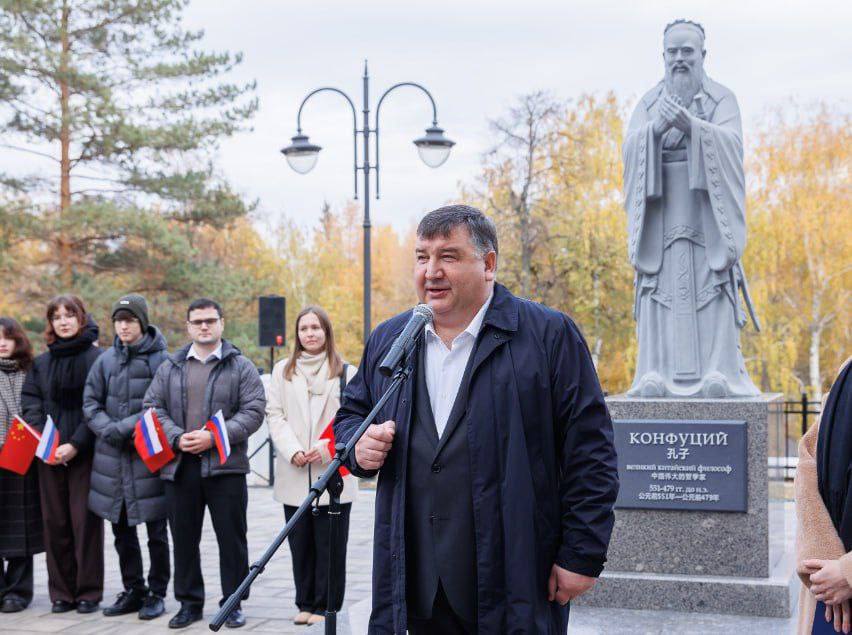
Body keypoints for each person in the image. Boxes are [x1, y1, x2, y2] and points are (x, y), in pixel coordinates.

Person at [334, 205, 619, 633]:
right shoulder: (390, 340)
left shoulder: (548, 336)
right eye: (421, 256)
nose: (431, 271)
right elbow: (351, 415)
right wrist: (357, 444)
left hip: (512, 577)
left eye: (448, 256)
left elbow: (591, 453)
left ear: (488, 264)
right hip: (414, 582)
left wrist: (581, 554)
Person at [622, 19, 760, 398]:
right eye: (672, 52)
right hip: (661, 216)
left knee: (712, 286)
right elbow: (630, 151)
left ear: (703, 54)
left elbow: (732, 147)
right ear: (663, 55)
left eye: (687, 51)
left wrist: (694, 127)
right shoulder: (649, 104)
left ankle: (720, 371)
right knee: (657, 289)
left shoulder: (721, 100)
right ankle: (653, 371)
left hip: (707, 216)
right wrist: (653, 132)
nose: (679, 59)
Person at [143, 298, 266, 629]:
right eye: (197, 321)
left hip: (225, 467)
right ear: (188, 327)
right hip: (180, 468)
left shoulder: (241, 366)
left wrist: (215, 436)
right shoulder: (171, 366)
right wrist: (176, 437)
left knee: (232, 538)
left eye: (210, 320)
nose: (204, 326)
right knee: (183, 539)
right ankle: (189, 602)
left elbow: (254, 411)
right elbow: (152, 407)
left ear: (222, 323)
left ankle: (233, 602)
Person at [266, 306, 358, 626]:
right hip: (295, 471)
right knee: (300, 542)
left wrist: (327, 448)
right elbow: (274, 415)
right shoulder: (282, 371)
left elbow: (354, 418)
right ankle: (304, 601)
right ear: (297, 335)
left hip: (332, 472)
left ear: (327, 332)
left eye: (316, 327)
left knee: (330, 545)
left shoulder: (347, 372)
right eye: (304, 328)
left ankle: (326, 606)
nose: (310, 333)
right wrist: (292, 450)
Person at [84, 294, 170, 620]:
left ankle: (157, 592)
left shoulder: (162, 360)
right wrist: (108, 429)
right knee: (122, 532)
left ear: (142, 323)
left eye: (130, 319)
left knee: (156, 533)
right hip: (112, 461)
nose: (123, 326)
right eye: (118, 320)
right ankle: (134, 589)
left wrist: (124, 427)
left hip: (149, 459)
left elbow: (161, 404)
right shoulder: (104, 361)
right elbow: (90, 403)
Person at [21, 295, 104, 614]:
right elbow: (31, 403)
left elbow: (97, 405)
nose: (63, 321)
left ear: (81, 318)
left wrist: (76, 444)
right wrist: (46, 441)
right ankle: (61, 592)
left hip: (85, 452)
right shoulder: (41, 363)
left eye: (69, 315)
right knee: (55, 523)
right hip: (49, 454)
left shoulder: (98, 359)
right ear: (51, 324)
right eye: (56, 317)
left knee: (85, 524)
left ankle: (88, 592)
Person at [795, 357, 852, 634]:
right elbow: (808, 461)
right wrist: (825, 560)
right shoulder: (848, 370)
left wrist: (849, 572)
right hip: (830, 593)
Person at [0, 318, 44, 613]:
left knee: (20, 527)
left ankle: (18, 591)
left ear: (18, 339)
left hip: (22, 455)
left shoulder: (32, 370)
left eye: (7, 337)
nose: (2, 343)